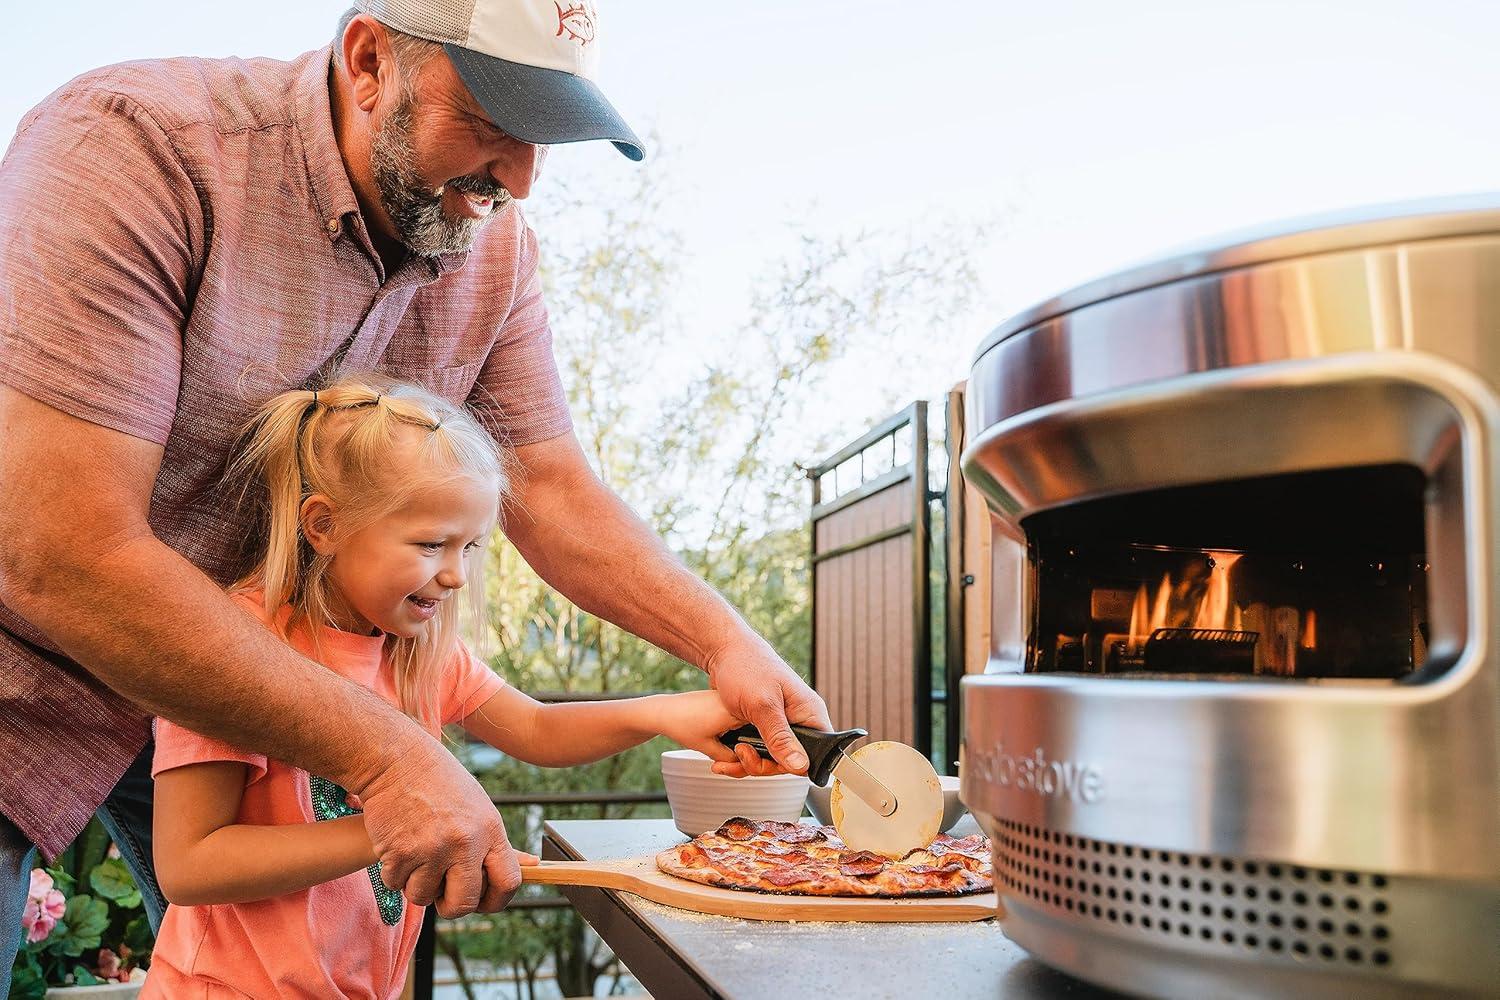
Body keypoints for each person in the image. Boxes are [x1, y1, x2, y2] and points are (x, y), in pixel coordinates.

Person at [0, 0, 830, 990]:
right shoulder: (136, 147)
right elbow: (53, 545)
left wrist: (720, 641)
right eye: (491, 120)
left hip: (228, 672)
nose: (519, 179)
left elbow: (551, 487)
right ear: (368, 61)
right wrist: (390, 760)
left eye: (548, 138)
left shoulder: (498, 256)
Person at [138, 375, 747, 997]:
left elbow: (535, 728)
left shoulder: (422, 653)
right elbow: (190, 865)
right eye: (432, 544)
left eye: (471, 546)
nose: (456, 575)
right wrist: (400, 825)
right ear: (322, 525)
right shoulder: (232, 649)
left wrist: (661, 714)